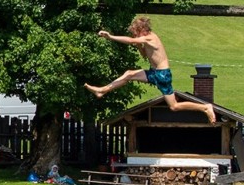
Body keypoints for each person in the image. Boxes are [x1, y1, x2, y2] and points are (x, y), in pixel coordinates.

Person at [86, 17, 216, 123]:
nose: (135, 35)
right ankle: (102, 90)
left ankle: (205, 107)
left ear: (142, 29)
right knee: (129, 74)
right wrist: (139, 46)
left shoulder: (150, 38)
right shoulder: (146, 40)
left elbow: (130, 40)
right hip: (155, 73)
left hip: (162, 75)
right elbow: (144, 55)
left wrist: (110, 37)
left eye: (136, 32)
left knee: (174, 106)